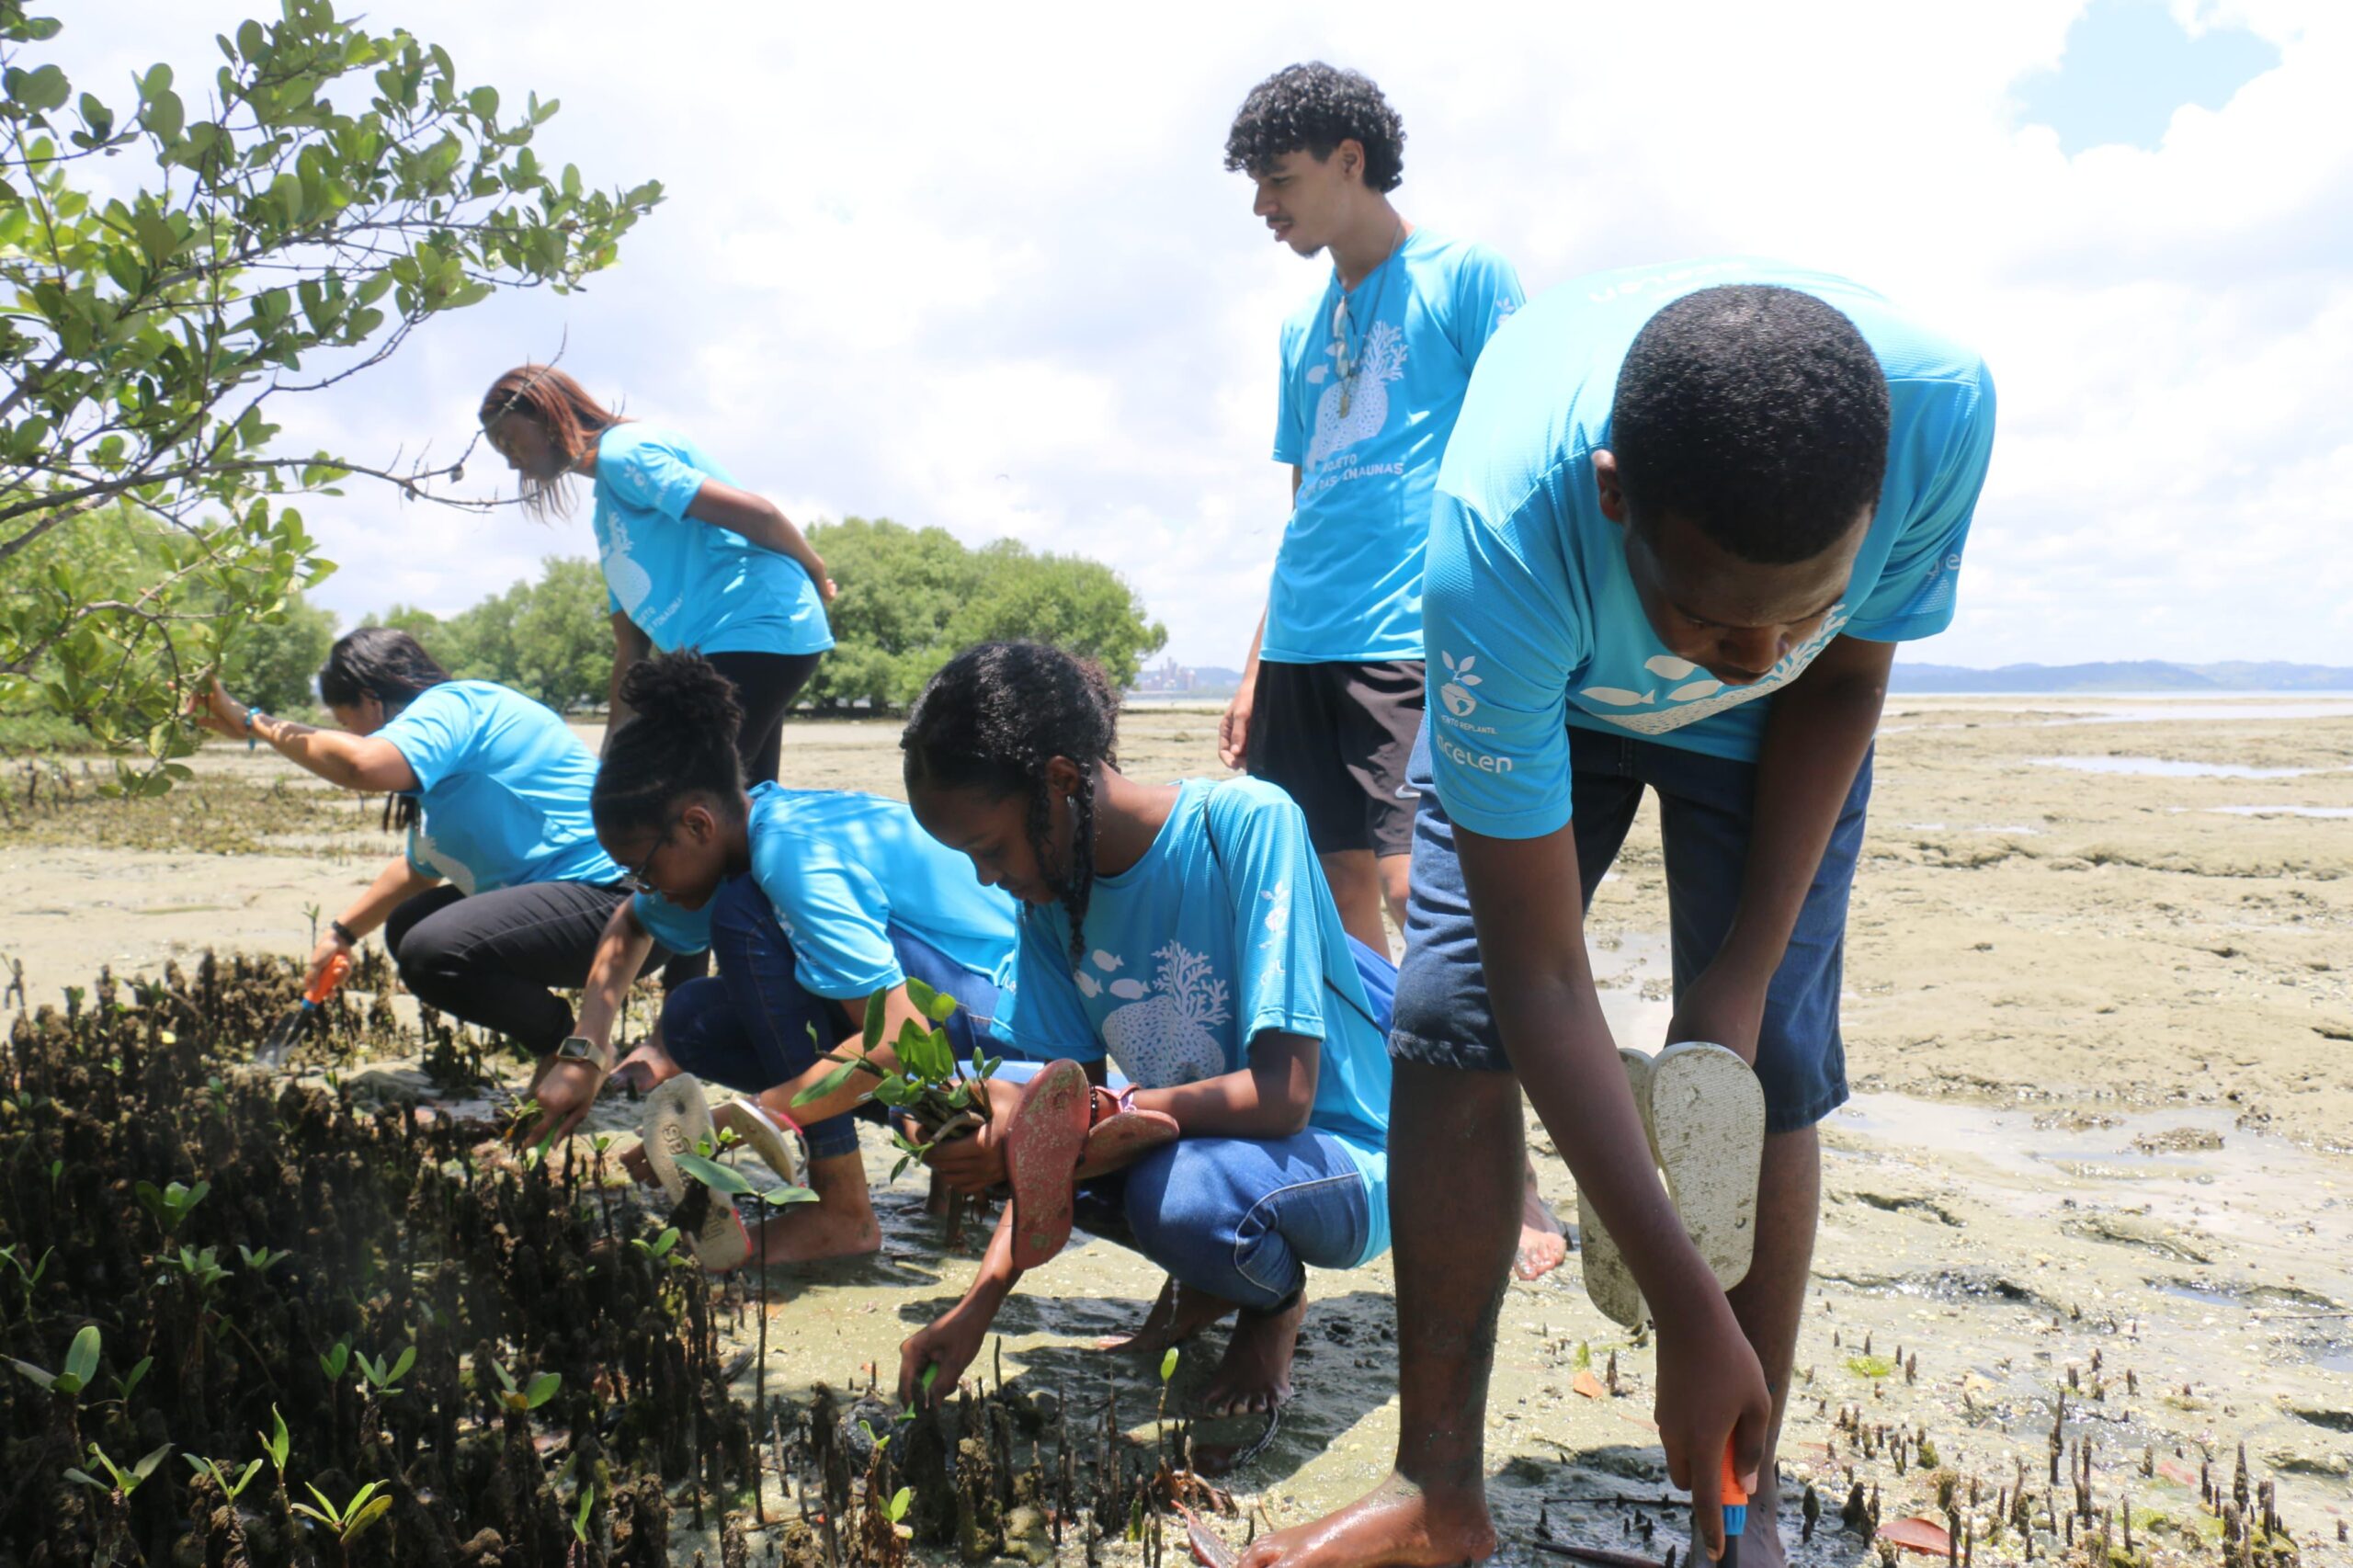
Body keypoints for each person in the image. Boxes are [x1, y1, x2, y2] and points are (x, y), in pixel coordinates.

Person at [1239, 262, 1996, 1568]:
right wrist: (1684, 1304)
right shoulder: (1496, 543)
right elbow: (1539, 983)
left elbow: (1832, 678)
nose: (1746, 657)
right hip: (1555, 696)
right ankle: (1439, 1492)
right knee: (1445, 1015)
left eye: (1799, 604)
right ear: (1612, 497)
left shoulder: (1934, 417)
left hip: (1790, 744)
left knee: (1768, 1068)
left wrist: (1738, 981)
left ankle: (1734, 1516)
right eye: (1707, 616)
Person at [1216, 64, 1564, 1277]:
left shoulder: (1466, 276)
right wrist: (1258, 663)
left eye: (1281, 179)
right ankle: (1395, 1146)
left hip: (1411, 640)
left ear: (1350, 157)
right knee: (1342, 922)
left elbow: (1529, 447)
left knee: (1441, 915)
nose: (1265, 205)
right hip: (1304, 646)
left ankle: (1519, 1188)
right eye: (1257, 186)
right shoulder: (1299, 326)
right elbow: (1305, 502)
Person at [893, 642, 1395, 1417]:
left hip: (1342, 1158)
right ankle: (1208, 1281)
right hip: (1212, 1145)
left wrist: (1110, 1114)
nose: (985, 879)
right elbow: (1058, 1116)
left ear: (1060, 782)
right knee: (1000, 1109)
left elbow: (1286, 1095)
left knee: (1182, 1196)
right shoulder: (1051, 901)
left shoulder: (1247, 822)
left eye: (988, 849)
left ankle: (1271, 1305)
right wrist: (977, 1307)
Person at [527, 651, 1026, 1266]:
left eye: (645, 869)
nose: (646, 888)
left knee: (741, 917)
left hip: (1006, 1029)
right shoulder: (750, 825)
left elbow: (901, 1040)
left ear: (698, 825)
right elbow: (629, 923)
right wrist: (586, 1051)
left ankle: (842, 1211)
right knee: (691, 1018)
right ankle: (941, 1187)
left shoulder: (787, 859)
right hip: (944, 1003)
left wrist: (745, 1122)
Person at [193, 626, 665, 1062]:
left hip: (620, 901)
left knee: (432, 949)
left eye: (345, 723)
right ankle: (559, 1045)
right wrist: (340, 934)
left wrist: (252, 720)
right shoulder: (439, 778)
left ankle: (566, 1049)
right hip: (569, 908)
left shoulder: (455, 705)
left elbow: (361, 766)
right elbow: (419, 870)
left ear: (371, 700)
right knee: (409, 923)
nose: (350, 737)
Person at [477, 364, 836, 790]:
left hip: (755, 625)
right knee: (743, 808)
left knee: (691, 803)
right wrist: (609, 759)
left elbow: (757, 514)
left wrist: (815, 569)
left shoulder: (625, 452)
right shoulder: (607, 521)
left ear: (545, 413)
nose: (509, 460)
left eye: (509, 441)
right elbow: (630, 654)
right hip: (728, 646)